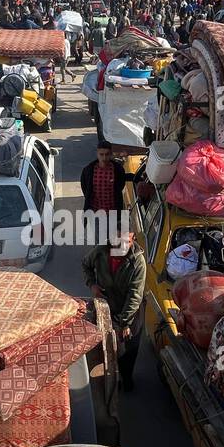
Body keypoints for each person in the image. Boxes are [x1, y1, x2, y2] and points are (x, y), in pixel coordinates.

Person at [82, 228, 147, 390]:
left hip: (130, 312)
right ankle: (111, 379)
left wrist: (124, 324)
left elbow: (135, 296)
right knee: (106, 347)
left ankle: (126, 378)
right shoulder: (100, 251)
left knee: (127, 350)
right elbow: (86, 264)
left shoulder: (137, 262)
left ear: (133, 240)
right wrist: (92, 285)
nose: (123, 246)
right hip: (107, 308)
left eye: (127, 242)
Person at [79, 142, 127, 242]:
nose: (104, 158)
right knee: (99, 242)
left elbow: (120, 186)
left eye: (107, 154)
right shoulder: (88, 170)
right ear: (97, 154)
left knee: (113, 241)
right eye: (101, 154)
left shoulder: (117, 170)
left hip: (113, 213)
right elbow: (85, 189)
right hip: (96, 213)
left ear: (111, 154)